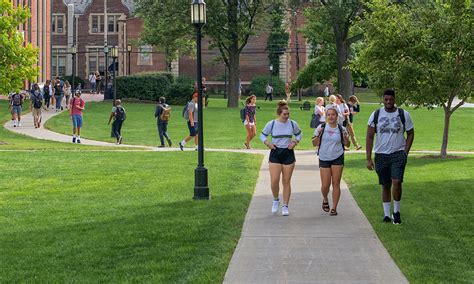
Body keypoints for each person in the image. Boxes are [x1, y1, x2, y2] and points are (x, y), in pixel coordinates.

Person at [366, 89, 414, 225]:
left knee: (396, 182)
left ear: (394, 100)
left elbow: (410, 133)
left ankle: (396, 212)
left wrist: (405, 152)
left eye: (390, 99)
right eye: (386, 100)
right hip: (381, 155)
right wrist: (368, 158)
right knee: (385, 185)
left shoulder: (404, 114)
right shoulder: (376, 114)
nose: (388, 102)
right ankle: (387, 215)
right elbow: (370, 136)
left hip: (398, 154)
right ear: (383, 100)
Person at [260, 101, 302, 216]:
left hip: (288, 152)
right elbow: (262, 135)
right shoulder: (272, 124)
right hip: (275, 152)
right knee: (274, 180)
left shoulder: (293, 124)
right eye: (284, 114)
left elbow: (299, 134)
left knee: (286, 181)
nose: (287, 116)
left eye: (288, 114)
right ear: (279, 114)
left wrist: (295, 142)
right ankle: (275, 199)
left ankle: (285, 206)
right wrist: (268, 143)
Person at [312, 107, 350, 216]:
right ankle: (325, 198)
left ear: (337, 116)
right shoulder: (321, 127)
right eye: (328, 115)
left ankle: (334, 208)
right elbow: (314, 143)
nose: (331, 117)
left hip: (337, 157)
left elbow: (347, 145)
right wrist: (318, 135)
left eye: (333, 114)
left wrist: (346, 137)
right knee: (325, 185)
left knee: (336, 183)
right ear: (326, 116)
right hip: (324, 157)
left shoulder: (341, 129)